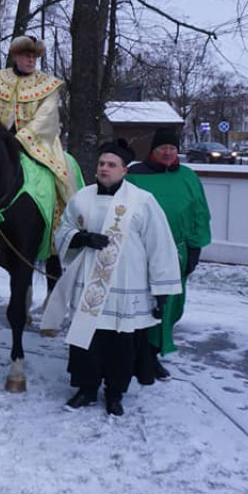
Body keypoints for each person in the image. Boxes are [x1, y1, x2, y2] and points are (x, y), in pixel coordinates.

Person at [40, 139, 182, 416]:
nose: (104, 168)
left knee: (121, 345)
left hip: (127, 285)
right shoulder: (82, 197)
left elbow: (160, 245)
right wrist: (81, 237)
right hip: (90, 284)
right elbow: (63, 229)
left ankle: (115, 393)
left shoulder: (142, 201)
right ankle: (86, 389)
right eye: (101, 164)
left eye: (111, 164)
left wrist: (161, 293)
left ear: (124, 170)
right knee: (86, 340)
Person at [126, 127, 212, 379]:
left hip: (177, 253)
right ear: (153, 149)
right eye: (163, 147)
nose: (168, 152)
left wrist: (195, 248)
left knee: (168, 305)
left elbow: (200, 213)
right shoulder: (134, 175)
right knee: (140, 303)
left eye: (172, 148)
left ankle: (152, 355)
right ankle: (135, 354)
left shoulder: (188, 177)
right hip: (140, 252)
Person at [0, 34, 79, 210]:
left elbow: (45, 117)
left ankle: (66, 217)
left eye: (34, 56)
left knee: (63, 177)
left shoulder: (48, 86)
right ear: (15, 56)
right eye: (26, 55)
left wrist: (19, 140)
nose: (31, 60)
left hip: (37, 145)